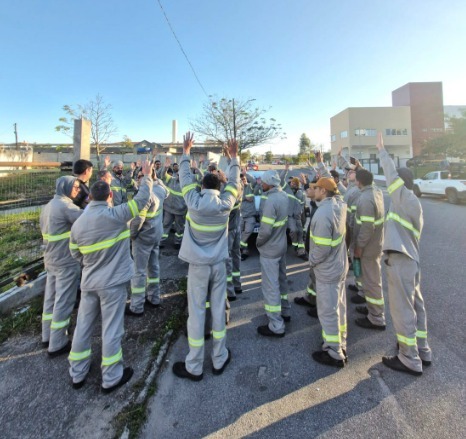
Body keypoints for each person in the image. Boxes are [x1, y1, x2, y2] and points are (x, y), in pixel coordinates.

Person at [68, 160, 153, 393]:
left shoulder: (78, 224)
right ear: (109, 197)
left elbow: (75, 254)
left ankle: (77, 371)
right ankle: (111, 376)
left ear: (90, 198)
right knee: (112, 329)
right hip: (113, 284)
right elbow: (142, 200)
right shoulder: (116, 215)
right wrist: (147, 176)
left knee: (83, 326)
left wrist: (89, 266)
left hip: (89, 282)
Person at [172, 132, 240, 381]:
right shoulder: (226, 204)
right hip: (219, 265)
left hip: (198, 267)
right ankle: (219, 358)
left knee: (197, 312)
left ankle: (194, 365)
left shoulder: (193, 202)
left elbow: (184, 177)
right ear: (219, 187)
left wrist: (186, 153)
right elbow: (235, 182)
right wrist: (234, 158)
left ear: (201, 187)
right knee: (218, 310)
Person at [376, 133, 432, 376]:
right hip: (411, 260)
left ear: (401, 183)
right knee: (416, 305)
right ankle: (422, 349)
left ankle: (409, 357)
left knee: (402, 309)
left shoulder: (404, 199)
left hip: (400, 260)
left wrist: (381, 151)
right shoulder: (412, 203)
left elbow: (390, 174)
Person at [308, 177, 348, 367]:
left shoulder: (323, 214)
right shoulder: (339, 206)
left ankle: (334, 352)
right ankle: (341, 342)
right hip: (339, 265)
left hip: (327, 269)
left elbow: (321, 249)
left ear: (323, 191)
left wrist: (311, 261)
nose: (313, 190)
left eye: (315, 188)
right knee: (338, 306)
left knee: (328, 311)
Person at [40, 176, 82, 356]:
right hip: (65, 260)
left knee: (50, 299)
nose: (78, 190)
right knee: (64, 301)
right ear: (65, 188)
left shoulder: (48, 206)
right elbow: (86, 221)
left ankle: (46, 335)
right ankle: (57, 343)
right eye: (75, 187)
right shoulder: (67, 206)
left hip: (50, 259)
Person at [126, 169, 169, 316]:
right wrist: (156, 179)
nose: (138, 180)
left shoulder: (144, 196)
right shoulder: (159, 190)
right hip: (156, 236)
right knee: (154, 268)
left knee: (139, 271)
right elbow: (166, 191)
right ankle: (154, 297)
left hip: (143, 238)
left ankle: (137, 306)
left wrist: (132, 236)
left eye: (140, 177)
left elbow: (138, 221)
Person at [256, 170, 290, 337]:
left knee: (271, 286)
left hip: (270, 249)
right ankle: (285, 310)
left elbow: (265, 230)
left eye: (263, 182)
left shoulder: (270, 201)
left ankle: (276, 324)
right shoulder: (283, 196)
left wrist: (258, 242)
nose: (261, 184)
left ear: (270, 183)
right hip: (281, 245)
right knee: (282, 280)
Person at [351, 169, 386, 331]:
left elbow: (367, 227)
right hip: (375, 244)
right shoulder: (376, 191)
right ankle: (372, 308)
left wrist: (359, 247)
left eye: (355, 179)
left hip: (368, 247)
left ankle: (377, 318)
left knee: (372, 281)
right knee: (368, 279)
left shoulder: (365, 199)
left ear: (359, 181)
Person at [161, 157, 187, 249]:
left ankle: (177, 242)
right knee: (165, 225)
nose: (180, 176)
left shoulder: (186, 185)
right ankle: (161, 242)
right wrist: (165, 168)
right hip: (168, 209)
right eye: (179, 174)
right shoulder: (171, 179)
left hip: (180, 211)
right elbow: (163, 175)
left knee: (179, 228)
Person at [239, 173, 256, 260]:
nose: (244, 180)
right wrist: (245, 198)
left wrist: (246, 173)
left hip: (250, 215)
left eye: (245, 179)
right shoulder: (238, 189)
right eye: (242, 179)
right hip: (241, 215)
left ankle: (239, 245)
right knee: (240, 233)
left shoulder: (250, 186)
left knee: (248, 231)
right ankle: (245, 251)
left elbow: (254, 181)